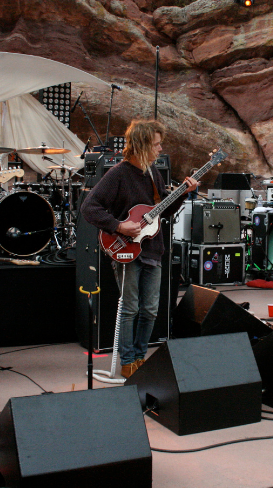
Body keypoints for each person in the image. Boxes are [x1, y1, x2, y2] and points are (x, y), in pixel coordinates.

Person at [81, 119, 197, 378]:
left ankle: (140, 357)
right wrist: (118, 226)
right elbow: (89, 207)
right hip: (126, 249)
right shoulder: (118, 174)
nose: (160, 149)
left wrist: (183, 194)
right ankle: (128, 360)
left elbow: (162, 211)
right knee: (130, 307)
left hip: (152, 248)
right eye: (156, 144)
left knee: (151, 309)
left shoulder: (153, 173)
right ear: (142, 145)